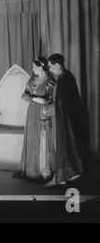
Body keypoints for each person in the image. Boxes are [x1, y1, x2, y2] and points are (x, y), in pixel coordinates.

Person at [44, 53, 86, 188]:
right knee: (63, 147)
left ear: (57, 65)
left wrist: (49, 110)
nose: (49, 69)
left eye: (50, 66)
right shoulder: (64, 77)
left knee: (62, 147)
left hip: (64, 121)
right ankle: (62, 176)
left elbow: (65, 104)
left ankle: (61, 177)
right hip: (64, 119)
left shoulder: (64, 79)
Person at [13, 56, 55, 181]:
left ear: (41, 67)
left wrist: (44, 101)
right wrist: (34, 98)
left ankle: (43, 171)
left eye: (34, 66)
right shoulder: (32, 80)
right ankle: (30, 170)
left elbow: (52, 100)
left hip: (43, 112)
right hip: (32, 111)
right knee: (31, 137)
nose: (32, 69)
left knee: (42, 138)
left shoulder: (50, 82)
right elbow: (24, 95)